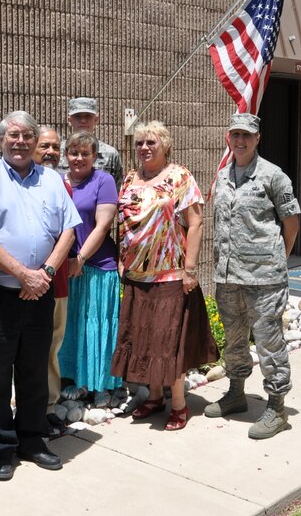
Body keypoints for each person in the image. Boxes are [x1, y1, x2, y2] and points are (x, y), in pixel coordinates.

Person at [0, 112, 81, 481]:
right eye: (13, 135)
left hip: (40, 292)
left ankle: (32, 439)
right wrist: (21, 274)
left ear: (34, 141)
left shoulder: (52, 181)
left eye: (27, 135)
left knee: (33, 371)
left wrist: (43, 274)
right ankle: (2, 448)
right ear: (1, 139)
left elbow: (69, 232)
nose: (20, 142)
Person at [111, 121, 218, 431]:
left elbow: (195, 223)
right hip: (136, 274)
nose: (144, 147)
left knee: (168, 341)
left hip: (170, 275)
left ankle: (180, 404)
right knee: (144, 339)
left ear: (166, 146)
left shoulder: (179, 177)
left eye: (151, 143)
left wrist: (190, 270)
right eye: (140, 143)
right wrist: (122, 257)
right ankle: (154, 397)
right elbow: (123, 222)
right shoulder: (130, 178)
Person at [204, 113, 300, 439]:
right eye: (235, 135)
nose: (240, 141)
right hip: (228, 275)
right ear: (228, 137)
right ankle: (236, 393)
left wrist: (277, 261)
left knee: (269, 343)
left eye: (247, 135)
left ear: (257, 138)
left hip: (265, 279)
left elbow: (291, 223)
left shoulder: (274, 177)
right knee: (234, 338)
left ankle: (277, 406)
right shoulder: (222, 177)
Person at [59, 132, 122, 405]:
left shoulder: (104, 181)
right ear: (66, 156)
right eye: (74, 153)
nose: (79, 158)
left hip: (96, 265)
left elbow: (103, 225)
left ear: (95, 156)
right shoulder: (58, 182)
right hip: (65, 266)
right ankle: (73, 379)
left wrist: (81, 258)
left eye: (86, 153)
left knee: (95, 324)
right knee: (71, 325)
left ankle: (100, 385)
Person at [33, 127, 72, 421]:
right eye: (44, 145)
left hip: (54, 281)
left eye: (56, 147)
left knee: (51, 343)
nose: (51, 152)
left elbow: (68, 233)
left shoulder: (63, 185)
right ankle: (25, 399)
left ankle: (47, 404)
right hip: (17, 282)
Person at [57, 97, 123, 189]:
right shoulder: (57, 151)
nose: (83, 121)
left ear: (96, 120)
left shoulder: (111, 154)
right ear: (70, 120)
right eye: (78, 116)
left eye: (88, 116)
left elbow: (116, 190)